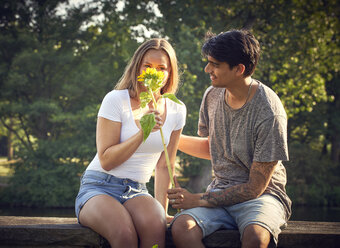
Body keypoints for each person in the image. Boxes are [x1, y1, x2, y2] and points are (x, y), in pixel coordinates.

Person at [167, 29, 291, 248]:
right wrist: (169, 138)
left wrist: (196, 200)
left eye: (214, 64)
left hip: (263, 197)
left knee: (255, 237)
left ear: (239, 69)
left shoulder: (269, 112)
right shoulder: (212, 95)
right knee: (181, 228)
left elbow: (255, 187)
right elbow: (212, 148)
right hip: (219, 192)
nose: (207, 69)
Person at [75, 38, 186, 248]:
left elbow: (165, 166)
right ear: (138, 68)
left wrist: (163, 211)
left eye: (162, 68)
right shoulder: (116, 100)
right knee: (124, 234)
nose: (155, 73)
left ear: (170, 73)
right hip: (99, 186)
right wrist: (142, 133)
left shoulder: (177, 109)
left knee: (156, 226)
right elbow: (106, 160)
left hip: (137, 190)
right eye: (148, 66)